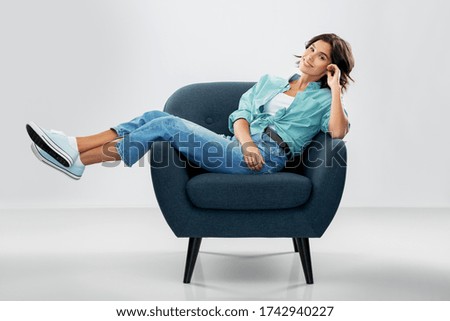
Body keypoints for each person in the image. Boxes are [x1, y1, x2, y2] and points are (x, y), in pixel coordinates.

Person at [26, 33, 354, 180]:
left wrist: (336, 87)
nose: (310, 56)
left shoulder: (324, 100)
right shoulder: (272, 82)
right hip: (241, 147)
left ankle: (75, 155)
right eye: (311, 48)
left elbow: (338, 132)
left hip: (269, 159)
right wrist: (248, 143)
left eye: (321, 55)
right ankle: (75, 150)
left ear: (331, 65)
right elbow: (240, 115)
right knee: (156, 117)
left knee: (166, 125)